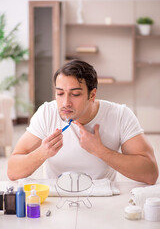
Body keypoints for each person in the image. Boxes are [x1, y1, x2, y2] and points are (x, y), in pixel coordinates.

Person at [8, 59, 159, 184]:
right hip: (57, 200)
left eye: (75, 94)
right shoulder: (47, 113)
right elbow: (12, 171)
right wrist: (41, 153)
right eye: (60, 93)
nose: (65, 102)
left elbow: (150, 174)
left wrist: (100, 151)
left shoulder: (120, 115)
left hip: (102, 200)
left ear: (92, 95)